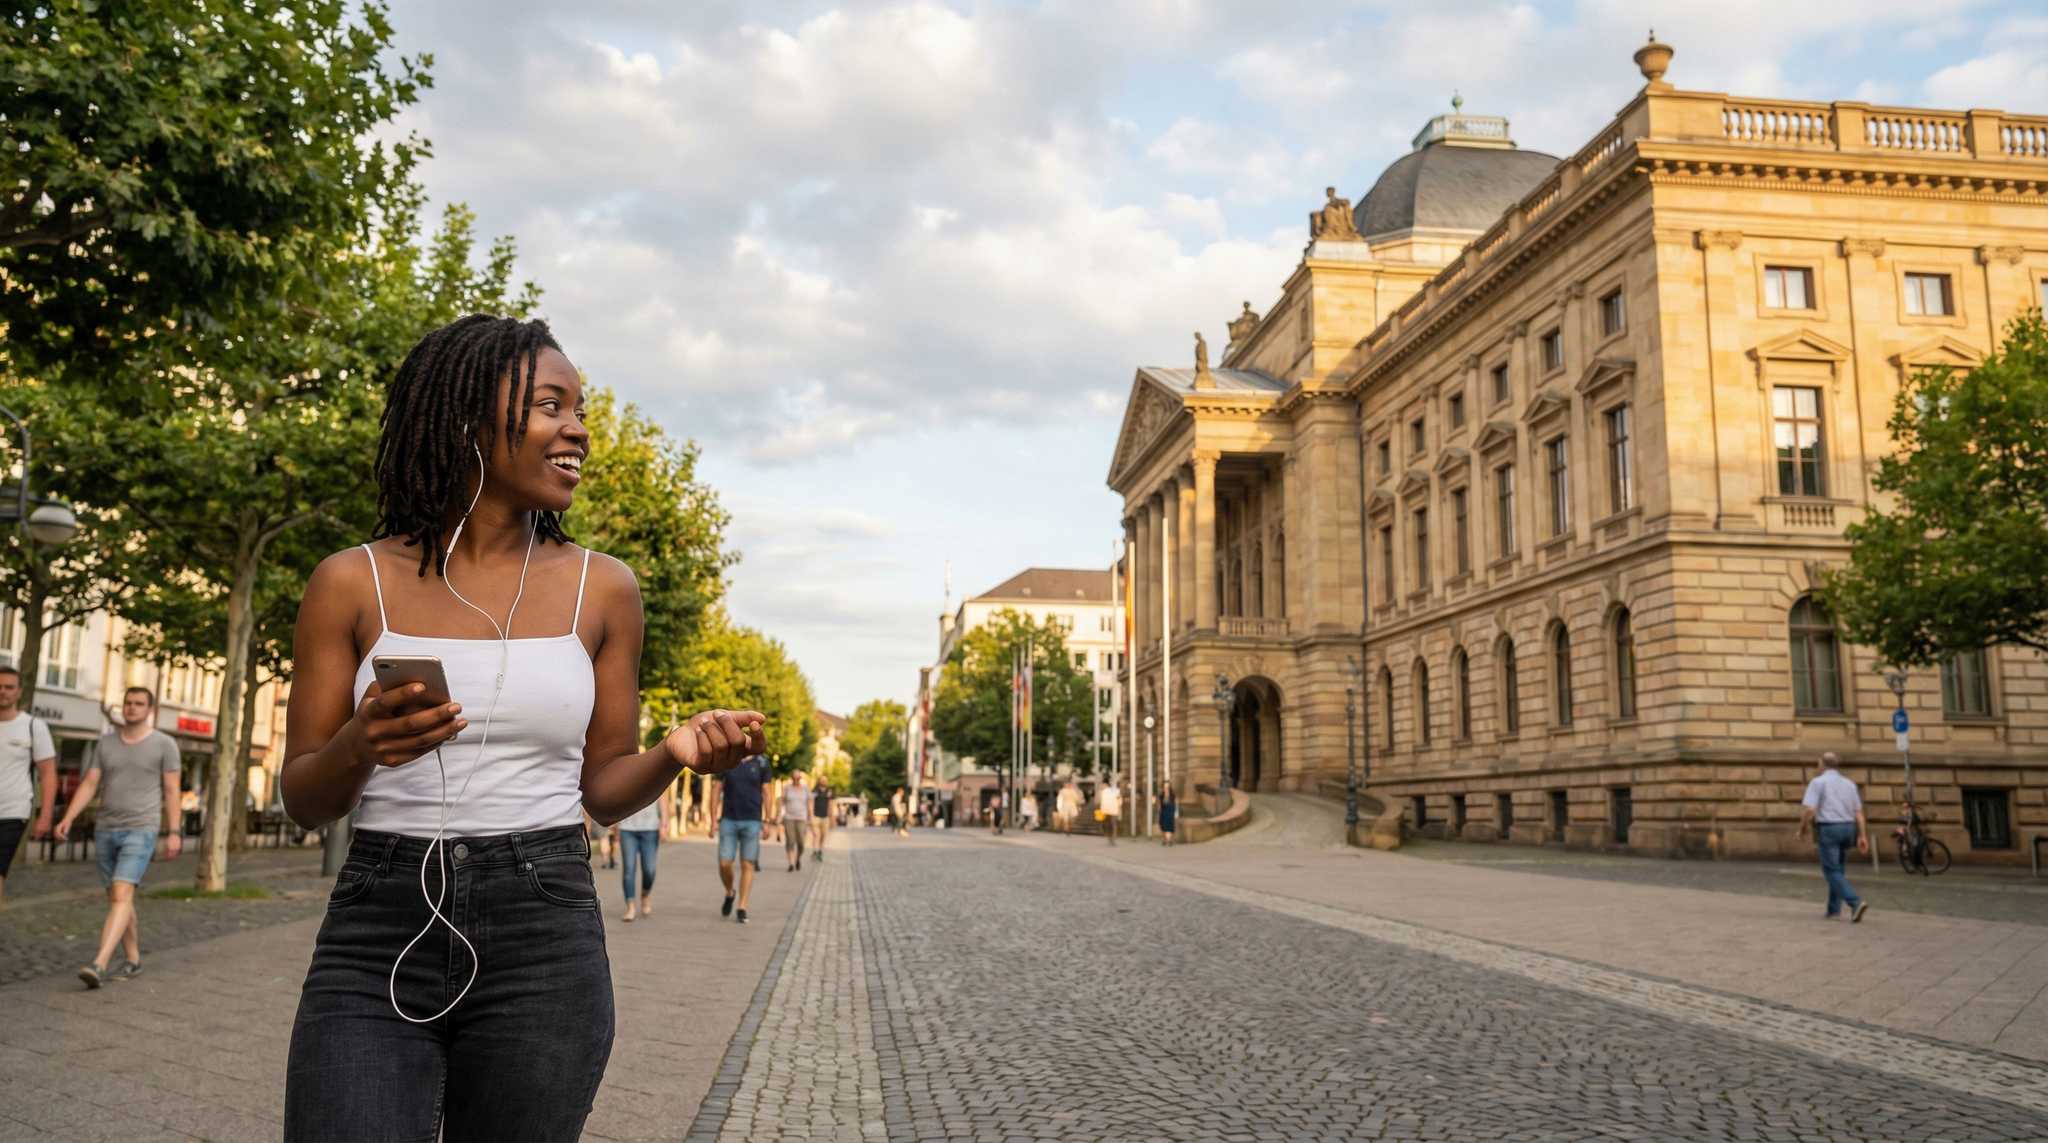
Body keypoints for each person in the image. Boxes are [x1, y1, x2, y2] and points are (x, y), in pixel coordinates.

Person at [275, 314, 765, 1140]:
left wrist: (673, 753)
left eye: (580, 409)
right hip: (377, 920)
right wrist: (362, 745)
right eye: (550, 406)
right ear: (469, 417)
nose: (577, 429)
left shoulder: (605, 590)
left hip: (543, 928)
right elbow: (302, 797)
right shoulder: (350, 583)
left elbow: (603, 792)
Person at [54, 686, 182, 987]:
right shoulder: (106, 744)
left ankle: (99, 963)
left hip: (142, 828)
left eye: (139, 703)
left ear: (149, 709)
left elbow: (172, 790)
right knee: (118, 898)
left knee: (122, 893)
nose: (132, 708)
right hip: (105, 829)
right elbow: (90, 783)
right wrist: (68, 817)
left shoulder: (164, 744)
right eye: (128, 702)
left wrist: (174, 831)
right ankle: (133, 958)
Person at [0, 665, 58, 903]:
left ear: (19, 691)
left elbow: (48, 773)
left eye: (9, 687)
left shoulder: (34, 726)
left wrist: (44, 816)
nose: (2, 691)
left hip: (12, 812)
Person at [1795, 751, 1870, 923]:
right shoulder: (1849, 784)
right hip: (1848, 828)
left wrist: (1802, 828)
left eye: (1817, 763)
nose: (1817, 766)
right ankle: (1833, 910)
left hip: (1829, 828)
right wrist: (1862, 836)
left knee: (1831, 871)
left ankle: (1855, 902)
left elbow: (1810, 810)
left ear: (1822, 764)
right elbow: (1858, 813)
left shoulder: (1818, 782)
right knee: (1839, 870)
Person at [709, 752, 772, 924]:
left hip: (752, 821)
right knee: (724, 863)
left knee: (748, 864)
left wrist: (767, 821)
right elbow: (716, 789)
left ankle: (742, 907)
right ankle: (730, 891)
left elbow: (766, 791)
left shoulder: (762, 762)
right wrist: (713, 819)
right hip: (728, 819)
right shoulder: (727, 759)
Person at [617, 787, 665, 922]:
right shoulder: (623, 770)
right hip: (627, 828)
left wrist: (665, 822)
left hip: (650, 828)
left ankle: (645, 894)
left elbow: (662, 796)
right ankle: (630, 907)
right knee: (629, 869)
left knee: (650, 869)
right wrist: (614, 821)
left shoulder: (655, 768)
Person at [781, 770, 811, 871]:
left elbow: (809, 803)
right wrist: (779, 815)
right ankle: (791, 863)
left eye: (798, 778)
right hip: (789, 818)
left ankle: (798, 858)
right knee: (790, 841)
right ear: (792, 778)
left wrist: (810, 818)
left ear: (800, 778)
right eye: (794, 778)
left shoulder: (805, 789)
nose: (796, 780)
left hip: (802, 818)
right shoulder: (787, 788)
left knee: (801, 843)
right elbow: (782, 802)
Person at [808, 776, 832, 864]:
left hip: (825, 817)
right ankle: (815, 850)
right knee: (816, 835)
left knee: (823, 835)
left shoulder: (829, 792)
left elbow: (830, 804)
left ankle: (820, 851)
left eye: (825, 780)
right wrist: (810, 816)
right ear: (819, 781)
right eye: (822, 780)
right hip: (816, 816)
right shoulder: (815, 791)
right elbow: (811, 803)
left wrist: (831, 817)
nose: (824, 781)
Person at [1098, 778, 1121, 846]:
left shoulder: (1115, 790)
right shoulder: (1102, 791)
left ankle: (1113, 839)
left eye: (1103, 785)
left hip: (1113, 810)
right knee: (1107, 825)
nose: (1102, 786)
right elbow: (1099, 801)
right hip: (1105, 811)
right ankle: (1110, 838)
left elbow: (1119, 799)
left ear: (1106, 784)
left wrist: (1119, 807)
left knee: (1113, 824)